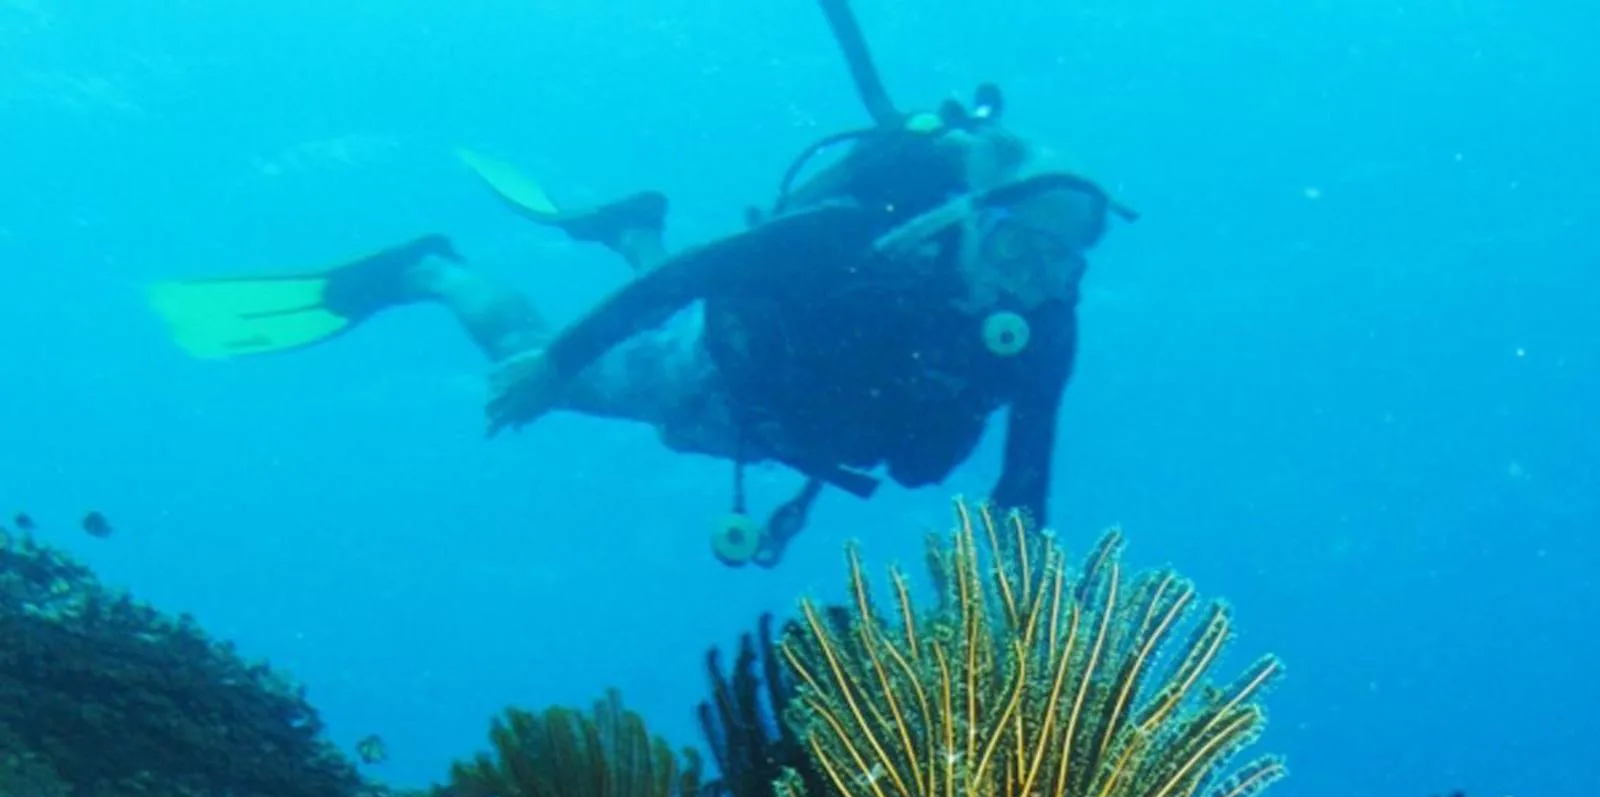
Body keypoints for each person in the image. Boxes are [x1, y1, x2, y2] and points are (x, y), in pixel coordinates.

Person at [150, 41, 1128, 568]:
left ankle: (626, 221)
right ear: (968, 218)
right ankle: (428, 269)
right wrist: (555, 364)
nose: (1026, 281)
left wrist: (1020, 578)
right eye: (1014, 246)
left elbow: (1025, 469)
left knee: (645, 297)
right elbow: (689, 278)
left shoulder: (1045, 328)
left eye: (1056, 266)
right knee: (551, 363)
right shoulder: (850, 233)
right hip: (712, 372)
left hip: (784, 427)